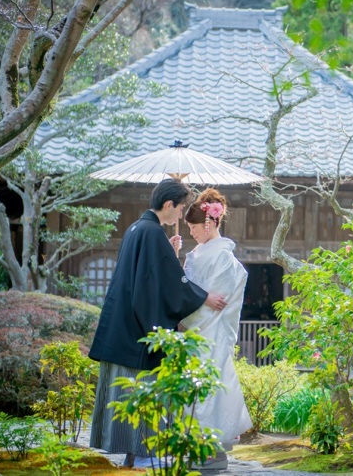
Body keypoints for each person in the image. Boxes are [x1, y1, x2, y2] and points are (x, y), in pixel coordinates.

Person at [88, 179, 228, 469]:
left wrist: (168, 252)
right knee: (143, 389)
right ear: (168, 205)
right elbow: (166, 282)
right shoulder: (152, 233)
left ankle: (132, 453)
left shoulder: (137, 229)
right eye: (179, 210)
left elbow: (149, 275)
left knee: (125, 390)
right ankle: (141, 453)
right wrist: (203, 297)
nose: (180, 216)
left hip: (121, 325)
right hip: (138, 331)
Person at [181, 188, 253, 470]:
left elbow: (218, 302)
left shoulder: (223, 257)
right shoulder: (195, 254)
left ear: (208, 223)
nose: (192, 233)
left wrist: (186, 312)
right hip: (194, 331)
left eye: (194, 227)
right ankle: (196, 446)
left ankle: (209, 448)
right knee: (195, 390)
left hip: (210, 331)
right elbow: (191, 292)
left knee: (209, 390)